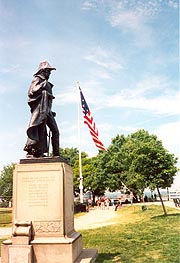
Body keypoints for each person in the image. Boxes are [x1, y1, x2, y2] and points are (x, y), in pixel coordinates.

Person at [24, 61, 60, 158]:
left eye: (50, 72)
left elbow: (47, 99)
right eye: (48, 71)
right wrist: (41, 86)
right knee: (41, 130)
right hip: (40, 110)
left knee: (55, 131)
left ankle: (56, 154)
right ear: (43, 71)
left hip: (47, 110)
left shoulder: (46, 82)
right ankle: (36, 151)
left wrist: (50, 111)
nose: (49, 74)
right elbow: (31, 92)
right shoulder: (38, 79)